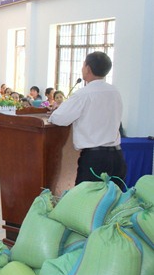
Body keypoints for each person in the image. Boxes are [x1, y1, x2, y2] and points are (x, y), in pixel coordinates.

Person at [49, 51, 126, 183]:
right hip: (117, 157)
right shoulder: (115, 91)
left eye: (83, 65)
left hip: (95, 160)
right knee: (113, 196)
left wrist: (56, 111)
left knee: (86, 196)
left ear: (88, 68)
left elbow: (58, 118)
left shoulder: (84, 94)